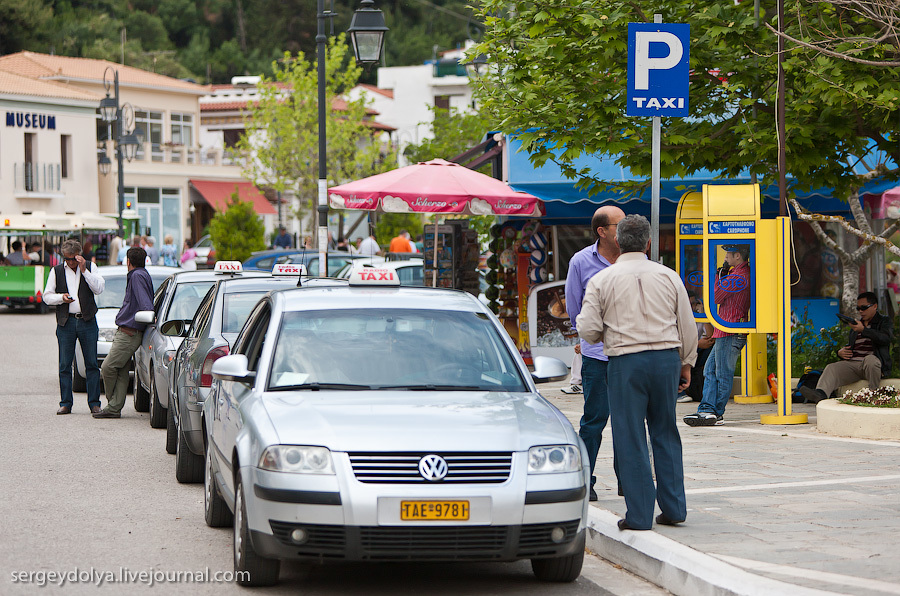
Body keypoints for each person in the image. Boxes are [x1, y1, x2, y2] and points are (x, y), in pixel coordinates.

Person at [577, 215, 698, 531]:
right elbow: (687, 324)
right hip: (666, 360)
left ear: (618, 241)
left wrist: (608, 332)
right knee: (665, 430)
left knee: (629, 435)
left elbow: (588, 330)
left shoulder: (603, 279)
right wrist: (686, 362)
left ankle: (640, 515)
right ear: (648, 242)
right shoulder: (669, 276)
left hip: (626, 362)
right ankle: (674, 508)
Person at [563, 205, 625, 501]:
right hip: (598, 356)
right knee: (594, 420)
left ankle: (629, 480)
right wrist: (589, 337)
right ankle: (585, 480)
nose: (624, 230)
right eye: (619, 225)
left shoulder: (634, 258)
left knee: (630, 421)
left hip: (630, 355)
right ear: (602, 231)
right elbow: (575, 308)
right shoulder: (580, 262)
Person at [683, 244, 751, 427]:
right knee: (709, 370)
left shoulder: (738, 276)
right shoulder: (736, 274)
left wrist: (719, 275)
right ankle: (706, 409)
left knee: (722, 373)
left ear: (738, 255)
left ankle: (716, 412)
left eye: (729, 254)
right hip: (725, 330)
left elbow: (716, 296)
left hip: (730, 329)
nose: (726, 257)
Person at [42, 239, 106, 415]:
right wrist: (61, 298)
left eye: (73, 259)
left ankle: (94, 403)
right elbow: (47, 296)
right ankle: (65, 403)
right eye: (67, 259)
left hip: (87, 321)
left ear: (80, 256)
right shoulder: (56, 271)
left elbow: (99, 289)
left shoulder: (91, 267)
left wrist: (84, 271)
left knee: (92, 364)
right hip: (66, 321)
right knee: (64, 365)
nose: (70, 262)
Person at [799, 292, 893, 404]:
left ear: (875, 306)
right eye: (858, 308)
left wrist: (864, 330)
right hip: (854, 364)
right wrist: (841, 352)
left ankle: (873, 394)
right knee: (831, 368)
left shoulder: (883, 321)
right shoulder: (857, 325)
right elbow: (852, 346)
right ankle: (820, 393)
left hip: (872, 364)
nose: (861, 311)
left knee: (870, 360)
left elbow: (885, 338)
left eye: (864, 308)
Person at [94, 246, 154, 418]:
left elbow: (145, 304)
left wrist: (148, 316)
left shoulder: (136, 276)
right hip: (128, 331)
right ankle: (114, 408)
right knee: (120, 371)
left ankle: (112, 404)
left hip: (129, 332)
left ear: (128, 262)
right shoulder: (142, 275)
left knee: (107, 367)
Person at [678, 297, 716, 403]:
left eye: (695, 303)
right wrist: (697, 344)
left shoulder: (698, 317)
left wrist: (703, 314)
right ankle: (679, 392)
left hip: (696, 350)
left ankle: (703, 390)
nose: (692, 307)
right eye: (690, 304)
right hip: (682, 350)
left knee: (711, 349)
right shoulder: (679, 317)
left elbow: (711, 337)